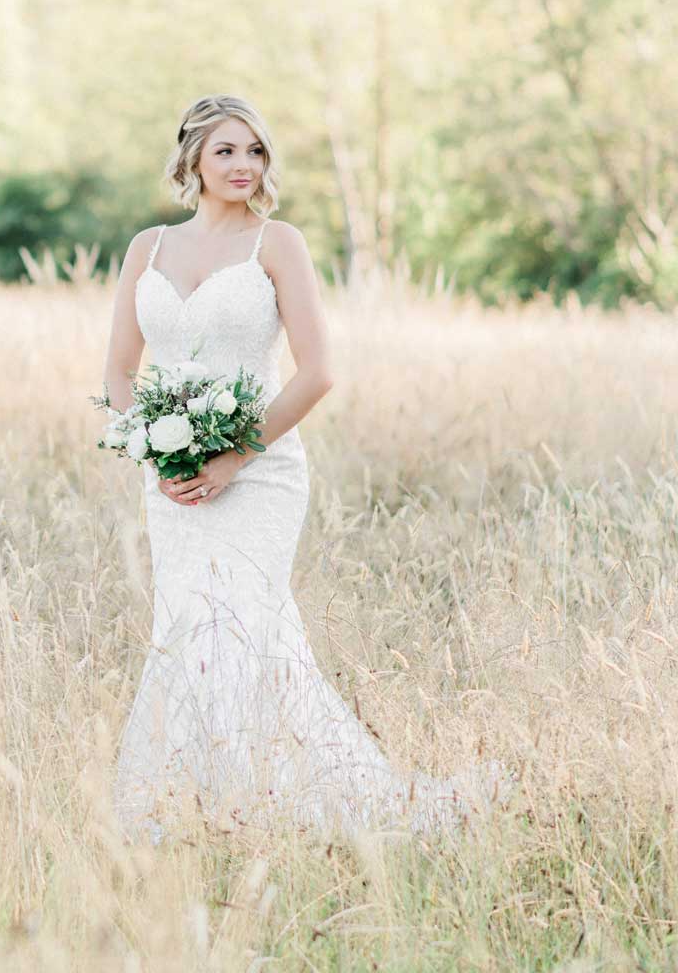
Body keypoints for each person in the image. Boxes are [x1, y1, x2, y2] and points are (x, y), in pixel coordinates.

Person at [98, 93, 515, 843]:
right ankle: (198, 804)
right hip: (172, 485)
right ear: (193, 155)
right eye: (227, 150)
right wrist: (158, 455)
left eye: (256, 151)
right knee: (185, 629)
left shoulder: (276, 244)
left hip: (260, 473)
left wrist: (231, 456)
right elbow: (121, 374)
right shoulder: (147, 249)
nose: (244, 165)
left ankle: (292, 802)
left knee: (243, 628)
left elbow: (317, 372)